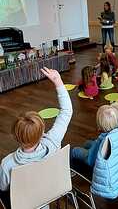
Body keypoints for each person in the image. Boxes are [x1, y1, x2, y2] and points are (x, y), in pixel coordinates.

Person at [0, 68, 73, 207]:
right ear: (42, 131)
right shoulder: (53, 142)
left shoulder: (7, 164)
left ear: (16, 136)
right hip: (52, 191)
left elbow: (3, 188)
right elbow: (67, 111)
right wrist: (58, 82)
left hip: (26, 202)